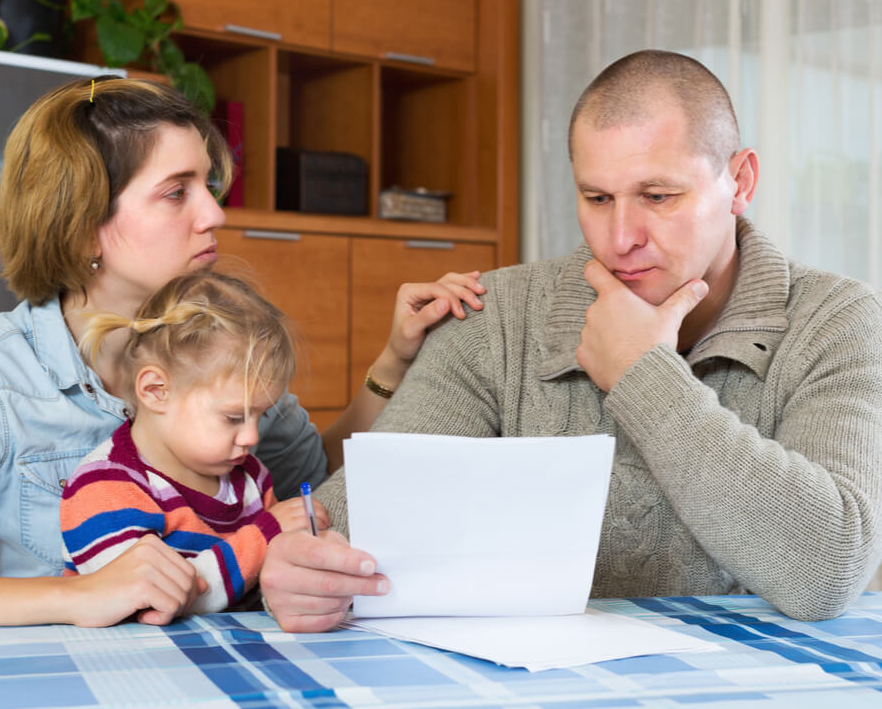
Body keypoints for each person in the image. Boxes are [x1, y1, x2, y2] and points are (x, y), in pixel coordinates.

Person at [260, 49, 882, 630]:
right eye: (597, 197)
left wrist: (643, 375)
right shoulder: (495, 314)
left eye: (657, 196)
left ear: (740, 181)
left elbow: (827, 571)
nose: (620, 238)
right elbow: (355, 520)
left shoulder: (839, 320)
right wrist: (298, 566)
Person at [0, 76, 486, 627]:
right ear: (81, 227)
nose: (214, 213)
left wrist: (393, 364)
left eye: (208, 186)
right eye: (177, 191)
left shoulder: (219, 334)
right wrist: (76, 597)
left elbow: (312, 478)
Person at [62, 269, 328, 614]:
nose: (252, 437)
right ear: (156, 391)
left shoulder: (250, 478)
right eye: (233, 417)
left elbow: (269, 578)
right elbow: (150, 603)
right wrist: (267, 535)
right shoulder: (105, 487)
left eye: (260, 416)